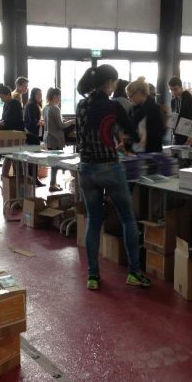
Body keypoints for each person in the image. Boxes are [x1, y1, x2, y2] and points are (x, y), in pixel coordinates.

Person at [76, 64, 151, 290]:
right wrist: (124, 139)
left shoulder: (81, 105)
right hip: (109, 167)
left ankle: (92, 276)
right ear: (109, 82)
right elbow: (133, 133)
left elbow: (84, 134)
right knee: (127, 218)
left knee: (94, 220)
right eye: (115, 82)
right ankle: (134, 272)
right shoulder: (113, 106)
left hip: (86, 168)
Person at [43, 87, 75, 192]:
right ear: (55, 96)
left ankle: (53, 183)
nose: (60, 99)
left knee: (53, 162)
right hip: (56, 138)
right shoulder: (55, 108)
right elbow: (61, 126)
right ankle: (53, 184)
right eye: (59, 97)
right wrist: (72, 121)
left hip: (48, 137)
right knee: (56, 163)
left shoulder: (45, 108)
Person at [126, 76, 164, 153]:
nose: (129, 99)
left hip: (150, 151)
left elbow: (156, 133)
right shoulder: (136, 109)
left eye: (130, 96)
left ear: (138, 93)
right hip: (138, 150)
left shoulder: (153, 109)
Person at [0, 83, 24, 177]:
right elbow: (5, 117)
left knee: (16, 157)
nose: (1, 99)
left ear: (8, 94)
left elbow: (17, 118)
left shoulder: (15, 103)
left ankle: (18, 177)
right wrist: (1, 122)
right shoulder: (6, 104)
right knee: (8, 156)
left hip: (16, 134)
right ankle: (5, 176)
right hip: (8, 133)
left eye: (2, 97)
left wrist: (5, 122)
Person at [24, 87, 45, 187]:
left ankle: (33, 179)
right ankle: (33, 179)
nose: (40, 96)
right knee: (33, 158)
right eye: (38, 94)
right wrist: (43, 123)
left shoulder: (34, 104)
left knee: (33, 158)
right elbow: (33, 121)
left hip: (34, 134)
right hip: (32, 134)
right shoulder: (31, 105)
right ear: (33, 95)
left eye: (41, 94)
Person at [169, 76, 192, 146]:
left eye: (175, 89)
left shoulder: (190, 100)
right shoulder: (173, 101)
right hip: (177, 134)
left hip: (187, 135)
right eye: (171, 90)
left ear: (181, 87)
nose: (173, 92)